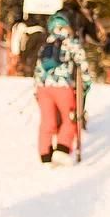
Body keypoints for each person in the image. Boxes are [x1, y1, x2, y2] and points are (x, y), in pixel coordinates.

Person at [34, 11, 92, 165]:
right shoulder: (71, 43)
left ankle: (45, 155)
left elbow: (38, 69)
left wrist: (37, 90)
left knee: (48, 121)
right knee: (70, 118)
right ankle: (62, 149)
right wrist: (86, 85)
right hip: (63, 87)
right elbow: (83, 66)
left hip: (43, 88)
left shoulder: (45, 43)